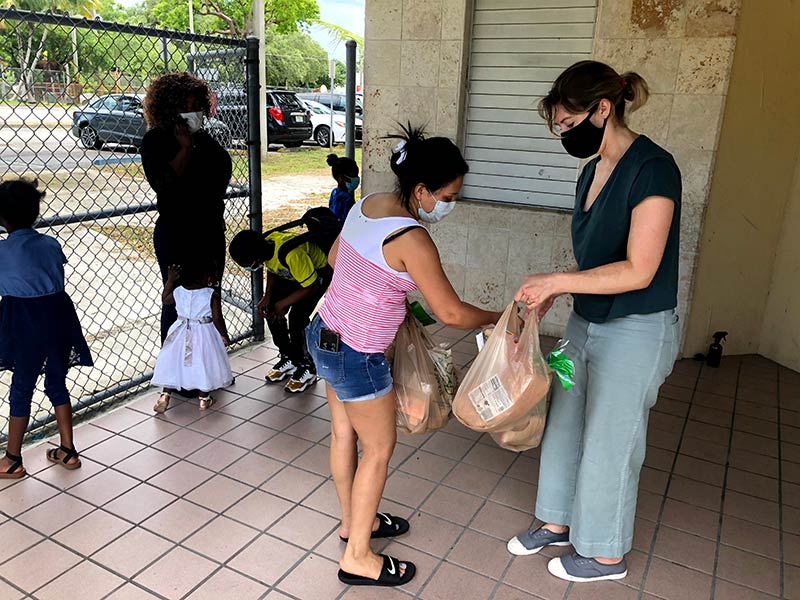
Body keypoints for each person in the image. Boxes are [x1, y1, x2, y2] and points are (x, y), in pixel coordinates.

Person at [507, 61, 682, 583]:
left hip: (638, 328)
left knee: (611, 441)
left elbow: (639, 268)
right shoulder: (590, 171)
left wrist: (556, 281)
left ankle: (605, 554)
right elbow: (592, 264)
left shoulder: (653, 168)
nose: (564, 134)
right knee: (562, 424)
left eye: (568, 123)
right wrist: (551, 296)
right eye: (559, 127)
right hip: (586, 324)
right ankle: (556, 522)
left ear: (603, 109)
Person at [307, 125, 501, 588]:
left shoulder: (369, 203)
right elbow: (451, 311)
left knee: (342, 435)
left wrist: (377, 286)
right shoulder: (412, 238)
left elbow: (336, 257)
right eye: (449, 195)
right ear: (421, 190)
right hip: (357, 353)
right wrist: (499, 315)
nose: (451, 203)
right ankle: (358, 557)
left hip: (323, 331)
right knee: (378, 448)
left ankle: (356, 524)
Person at [0, 180, 93, 479]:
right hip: (58, 318)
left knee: (21, 387)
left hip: (24, 322)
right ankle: (68, 450)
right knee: (56, 382)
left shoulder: (3, 252)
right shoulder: (51, 243)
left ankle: (13, 458)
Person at [140, 72, 232, 344]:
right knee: (177, 300)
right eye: (183, 106)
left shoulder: (204, 138)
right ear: (167, 108)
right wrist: (184, 148)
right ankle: (175, 369)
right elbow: (165, 185)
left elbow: (221, 173)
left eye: (195, 105)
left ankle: (209, 363)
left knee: (210, 294)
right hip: (177, 234)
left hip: (210, 230)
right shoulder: (155, 140)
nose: (191, 111)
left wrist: (194, 144)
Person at [229, 228, 332, 393]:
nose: (249, 268)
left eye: (248, 265)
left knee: (297, 319)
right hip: (293, 274)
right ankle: (289, 356)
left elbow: (310, 287)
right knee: (271, 311)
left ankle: (307, 365)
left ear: (256, 258)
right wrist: (267, 297)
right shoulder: (266, 247)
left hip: (315, 278)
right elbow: (273, 270)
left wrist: (282, 304)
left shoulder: (292, 254)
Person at [151, 262, 233, 413]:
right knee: (203, 363)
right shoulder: (210, 294)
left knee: (174, 362)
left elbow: (165, 299)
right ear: (207, 277)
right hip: (204, 333)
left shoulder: (178, 291)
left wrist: (170, 280)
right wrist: (223, 334)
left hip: (179, 331)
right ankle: (204, 399)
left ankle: (165, 395)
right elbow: (217, 319)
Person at [327, 153, 360, 221]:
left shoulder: (334, 193)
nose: (356, 178)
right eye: (353, 176)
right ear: (341, 177)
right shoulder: (347, 199)